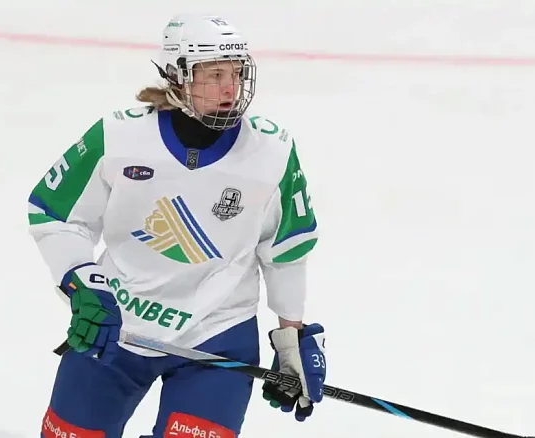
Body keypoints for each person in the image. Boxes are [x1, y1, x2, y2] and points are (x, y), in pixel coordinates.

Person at [27, 13, 327, 438]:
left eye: (236, 73)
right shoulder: (119, 137)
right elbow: (55, 214)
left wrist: (290, 337)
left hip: (217, 338)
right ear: (177, 75)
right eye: (215, 75)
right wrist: (83, 282)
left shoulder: (271, 151)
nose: (230, 88)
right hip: (115, 327)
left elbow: (285, 247)